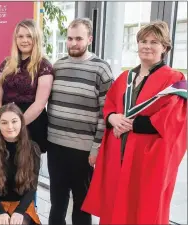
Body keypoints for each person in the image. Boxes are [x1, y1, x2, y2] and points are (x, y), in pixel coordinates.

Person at [82, 20, 187, 224]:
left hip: (145, 156)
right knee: (115, 205)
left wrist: (133, 124)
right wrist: (112, 118)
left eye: (154, 42)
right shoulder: (125, 77)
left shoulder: (174, 80)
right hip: (117, 152)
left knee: (143, 208)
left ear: (164, 47)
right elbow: (109, 106)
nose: (147, 46)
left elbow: (174, 119)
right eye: (143, 41)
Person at [46, 18, 113, 225]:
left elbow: (106, 113)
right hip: (55, 145)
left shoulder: (101, 70)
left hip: (83, 150)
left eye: (79, 39)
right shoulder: (58, 66)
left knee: (82, 204)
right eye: (70, 38)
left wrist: (96, 148)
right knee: (57, 201)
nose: (73, 43)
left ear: (90, 39)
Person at [0, 19, 53, 153]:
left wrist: (17, 125)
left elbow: (40, 103)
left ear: (36, 38)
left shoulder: (44, 65)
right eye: (20, 36)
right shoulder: (6, 63)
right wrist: (0, 122)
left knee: (27, 171)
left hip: (31, 123)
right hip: (6, 124)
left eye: (29, 36)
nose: (24, 40)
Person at [0, 103, 42, 225]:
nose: (10, 127)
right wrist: (0, 212)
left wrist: (20, 211)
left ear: (21, 122)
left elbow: (32, 185)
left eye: (14, 121)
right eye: (4, 122)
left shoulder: (32, 148)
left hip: (20, 204)